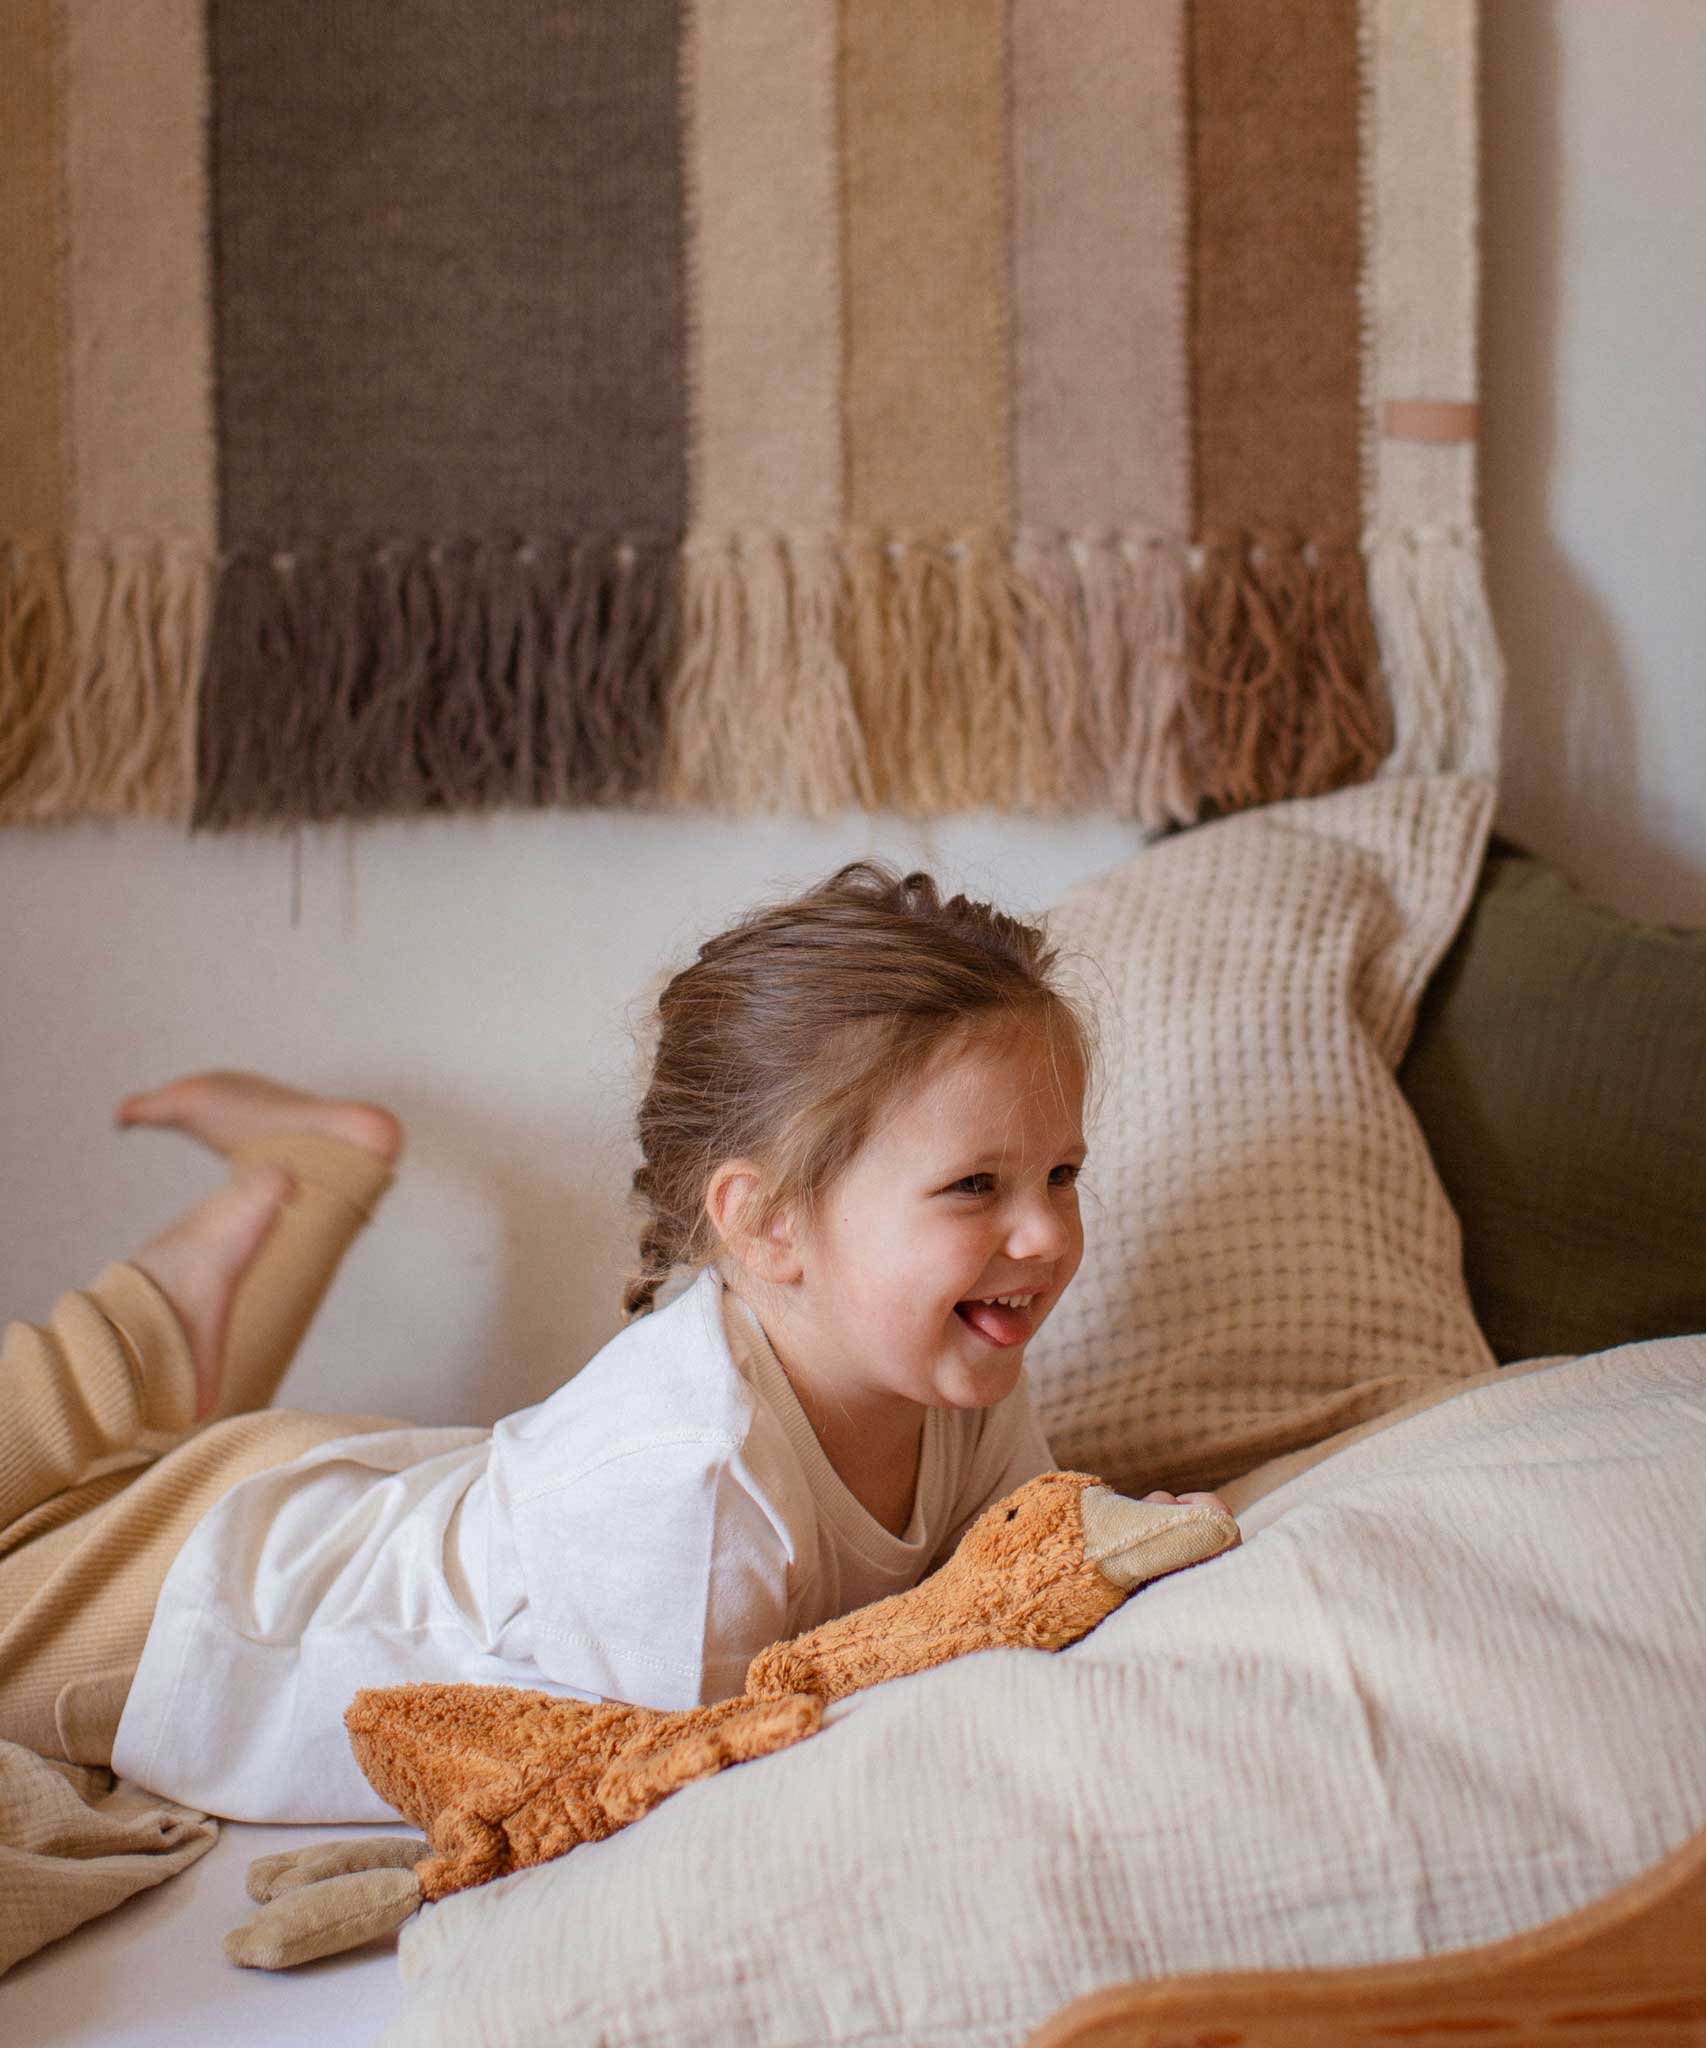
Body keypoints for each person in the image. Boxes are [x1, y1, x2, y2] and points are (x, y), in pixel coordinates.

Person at [0, 861, 1222, 1824]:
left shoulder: (955, 1367)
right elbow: (664, 1782)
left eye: (1060, 1173)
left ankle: (302, 1186)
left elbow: (1003, 1585)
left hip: (339, 1503)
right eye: (974, 1186)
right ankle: (295, 1193)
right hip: (202, 1608)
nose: (1044, 1232)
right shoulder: (688, 1476)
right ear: (771, 1223)